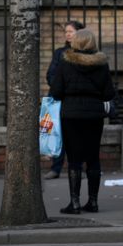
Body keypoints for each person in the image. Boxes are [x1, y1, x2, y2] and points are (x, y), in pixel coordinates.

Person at [49, 28, 115, 214]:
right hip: (94, 116)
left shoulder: (66, 63)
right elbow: (109, 93)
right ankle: (93, 202)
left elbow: (55, 92)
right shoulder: (101, 64)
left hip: (72, 116)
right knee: (93, 158)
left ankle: (75, 203)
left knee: (74, 160)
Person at [44, 20, 85, 180]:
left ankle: (78, 166)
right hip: (59, 98)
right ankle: (56, 167)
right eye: (66, 31)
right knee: (57, 133)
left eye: (71, 31)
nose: (67, 34)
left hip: (76, 100)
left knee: (77, 133)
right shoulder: (59, 53)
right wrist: (62, 88)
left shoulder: (85, 53)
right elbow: (51, 75)